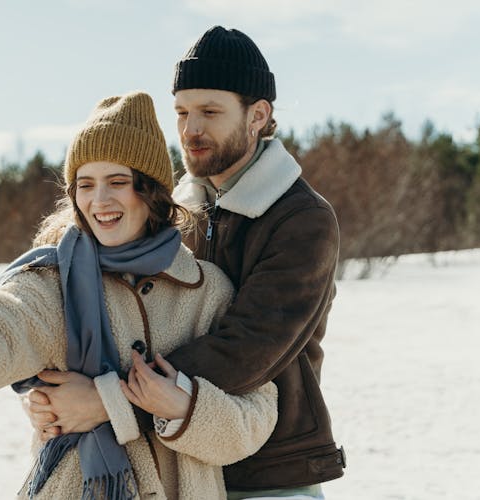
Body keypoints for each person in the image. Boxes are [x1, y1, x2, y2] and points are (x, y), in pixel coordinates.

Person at [0, 90, 279, 499]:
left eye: (117, 182)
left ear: (150, 191)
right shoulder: (52, 283)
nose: (99, 200)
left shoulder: (207, 291)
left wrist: (181, 406)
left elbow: (257, 416)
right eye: (85, 184)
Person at [25, 26, 345, 499]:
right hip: (182, 464)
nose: (190, 130)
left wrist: (105, 401)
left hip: (271, 472)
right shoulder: (174, 213)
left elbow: (248, 348)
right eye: (181, 112)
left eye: (210, 112)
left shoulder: (301, 219)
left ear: (258, 116)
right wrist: (53, 394)